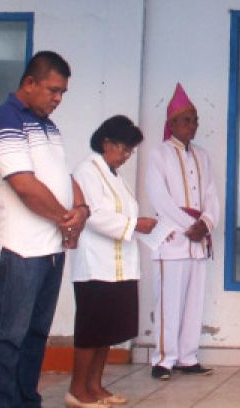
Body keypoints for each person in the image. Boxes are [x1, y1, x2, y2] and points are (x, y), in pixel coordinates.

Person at [0, 51, 88, 408]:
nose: (58, 99)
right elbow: (25, 186)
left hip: (50, 250)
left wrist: (81, 211)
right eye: (53, 91)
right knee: (8, 337)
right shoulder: (5, 120)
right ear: (30, 83)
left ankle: (27, 401)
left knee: (35, 335)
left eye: (63, 93)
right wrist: (65, 218)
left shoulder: (48, 126)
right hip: (18, 250)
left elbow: (63, 176)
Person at [67, 116, 157, 408]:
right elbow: (93, 215)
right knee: (91, 330)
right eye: (124, 149)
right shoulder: (87, 170)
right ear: (107, 143)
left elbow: (122, 213)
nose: (127, 156)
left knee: (107, 330)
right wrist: (135, 225)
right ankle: (77, 390)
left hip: (119, 266)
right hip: (96, 265)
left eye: (131, 151)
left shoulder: (115, 174)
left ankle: (95, 386)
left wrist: (138, 226)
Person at [146, 83, 221, 380]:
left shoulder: (202, 155)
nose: (193, 125)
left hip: (198, 240)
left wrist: (206, 223)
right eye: (187, 120)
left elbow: (212, 195)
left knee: (194, 300)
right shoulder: (159, 154)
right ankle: (163, 359)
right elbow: (159, 197)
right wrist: (187, 225)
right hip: (173, 238)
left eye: (195, 120)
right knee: (168, 301)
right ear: (172, 123)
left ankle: (188, 357)